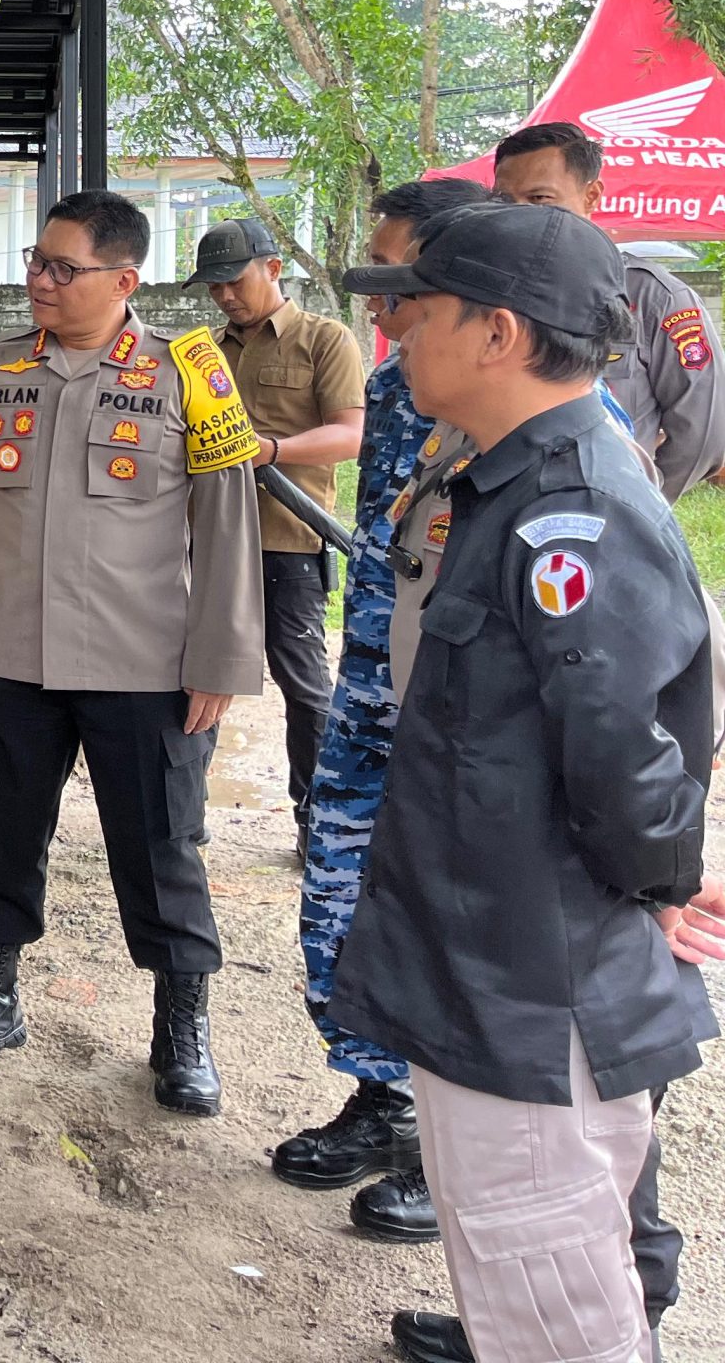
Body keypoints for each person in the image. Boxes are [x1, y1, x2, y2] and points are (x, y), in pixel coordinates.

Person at [335, 202, 714, 1363]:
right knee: (516, 1274)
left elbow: (620, 749)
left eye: (419, 309)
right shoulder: (504, 478)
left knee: (556, 1305)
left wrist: (657, 887)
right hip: (484, 958)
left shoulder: (571, 508)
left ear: (497, 332)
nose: (393, 333)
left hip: (532, 981)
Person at [0, 190, 265, 1116]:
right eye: (38, 262)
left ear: (124, 280)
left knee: (162, 847)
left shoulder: (190, 371)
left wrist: (218, 659)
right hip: (15, 655)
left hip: (146, 664)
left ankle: (181, 1026)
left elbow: (227, 518)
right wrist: (0, 569)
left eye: (61, 268)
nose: (39, 279)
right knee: (1, 831)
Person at [274, 179, 493, 1247]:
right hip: (369, 674)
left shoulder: (510, 391)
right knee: (338, 899)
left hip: (455, 707)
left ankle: (445, 1148)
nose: (378, 306)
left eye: (396, 277)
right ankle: (382, 1098)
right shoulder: (406, 376)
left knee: (442, 920)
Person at [186, 216, 366, 838]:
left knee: (306, 687)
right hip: (207, 546)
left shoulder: (325, 340)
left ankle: (315, 822)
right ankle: (182, 817)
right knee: (195, 678)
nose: (225, 297)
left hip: (289, 540)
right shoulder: (203, 353)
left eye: (233, 282)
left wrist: (270, 451)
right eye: (213, 289)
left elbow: (349, 434)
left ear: (272, 268)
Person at [493, 121, 725, 499]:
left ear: (591, 196)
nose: (519, 216)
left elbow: (704, 433)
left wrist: (638, 505)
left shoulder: (650, 295)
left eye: (539, 199)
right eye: (505, 201)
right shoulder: (485, 291)